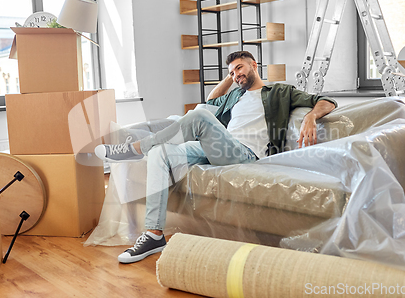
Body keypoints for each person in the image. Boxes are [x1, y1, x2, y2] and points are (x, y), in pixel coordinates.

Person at [94, 51, 337, 264]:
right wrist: (233, 77)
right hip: (221, 148)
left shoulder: (279, 92)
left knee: (198, 115)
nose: (236, 75)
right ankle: (154, 235)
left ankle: (136, 148)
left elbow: (326, 101)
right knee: (162, 150)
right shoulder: (235, 96)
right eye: (232, 72)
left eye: (240, 68)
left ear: (255, 64)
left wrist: (310, 117)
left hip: (246, 154)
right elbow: (210, 100)